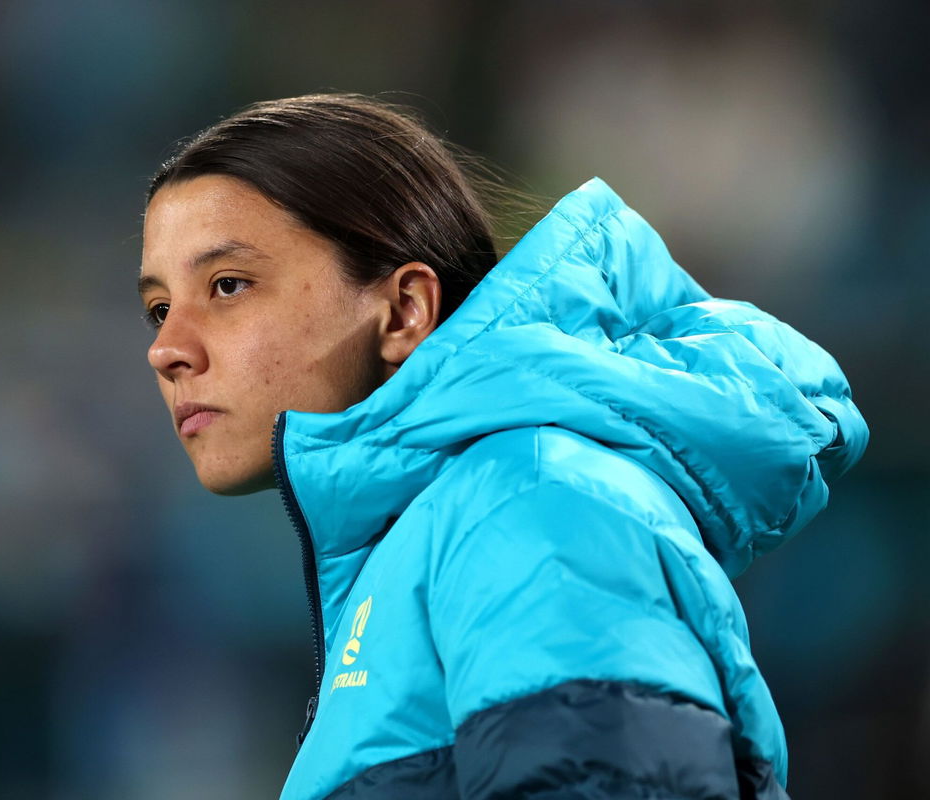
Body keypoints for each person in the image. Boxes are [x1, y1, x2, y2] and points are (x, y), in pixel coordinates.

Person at [138, 94, 868, 800]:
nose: (167, 349)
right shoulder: (458, 523)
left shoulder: (528, 502)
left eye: (228, 285)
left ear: (404, 311)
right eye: (159, 308)